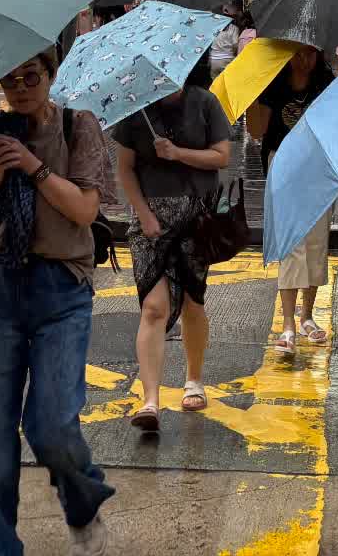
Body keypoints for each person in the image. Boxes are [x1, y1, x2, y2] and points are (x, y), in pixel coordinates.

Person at [0, 50, 116, 555]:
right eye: (10, 78)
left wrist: (35, 167)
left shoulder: (76, 125)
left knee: (51, 425)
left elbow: (86, 210)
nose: (20, 87)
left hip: (61, 288)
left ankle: (82, 496)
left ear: (50, 76)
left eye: (31, 77)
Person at [111, 62, 233, 431]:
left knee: (194, 301)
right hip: (150, 222)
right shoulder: (136, 113)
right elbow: (126, 169)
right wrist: (144, 216)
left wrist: (178, 153)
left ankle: (193, 379)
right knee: (153, 306)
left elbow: (221, 156)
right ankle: (150, 401)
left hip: (197, 218)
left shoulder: (205, 103)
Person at [250, 44, 337, 352]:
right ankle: (288, 324)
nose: (304, 60)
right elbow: (257, 130)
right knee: (291, 241)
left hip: (318, 164)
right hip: (283, 161)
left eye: (311, 54)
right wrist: (253, 96)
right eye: (298, 54)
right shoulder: (273, 85)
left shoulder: (326, 84)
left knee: (316, 239)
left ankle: (308, 317)